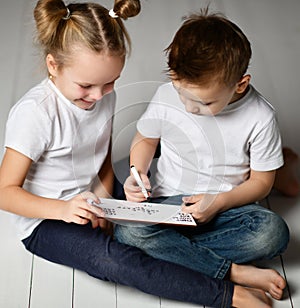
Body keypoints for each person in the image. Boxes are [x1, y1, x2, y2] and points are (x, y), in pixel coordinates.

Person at [0, 1, 276, 307]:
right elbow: (4, 193)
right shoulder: (35, 114)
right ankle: (227, 288)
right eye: (86, 85)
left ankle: (180, 248)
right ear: (53, 65)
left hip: (93, 197)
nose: (97, 95)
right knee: (117, 260)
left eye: (110, 82)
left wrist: (104, 191)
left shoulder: (103, 95)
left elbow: (100, 156)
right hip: (46, 219)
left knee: (146, 217)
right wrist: (64, 210)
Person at [114, 8, 290, 303]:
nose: (190, 108)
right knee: (128, 234)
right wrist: (138, 171)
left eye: (204, 101)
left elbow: (261, 183)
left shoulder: (260, 116)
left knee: (273, 234)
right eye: (183, 94)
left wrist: (219, 201)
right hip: (169, 203)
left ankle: (178, 253)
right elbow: (146, 138)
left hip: (226, 209)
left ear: (240, 84)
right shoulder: (167, 95)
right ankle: (232, 271)